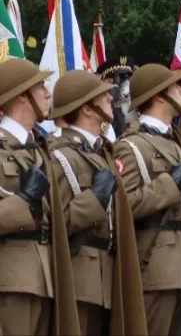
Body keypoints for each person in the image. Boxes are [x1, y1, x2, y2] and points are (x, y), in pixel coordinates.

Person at [113, 63, 181, 336]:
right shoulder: (131, 146)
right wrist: (169, 184)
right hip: (155, 267)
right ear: (160, 95)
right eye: (176, 86)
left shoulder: (176, 143)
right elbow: (123, 206)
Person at [48, 70, 147, 335]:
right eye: (101, 96)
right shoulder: (60, 155)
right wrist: (95, 200)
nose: (109, 98)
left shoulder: (101, 151)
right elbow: (56, 222)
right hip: (80, 279)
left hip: (109, 274)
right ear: (86, 109)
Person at [0, 58, 80, 335]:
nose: (48, 94)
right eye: (41, 87)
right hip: (11, 280)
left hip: (47, 275)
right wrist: (23, 201)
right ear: (22, 95)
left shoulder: (39, 148)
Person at [96, 56, 138, 140]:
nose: (123, 86)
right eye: (114, 80)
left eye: (126, 80)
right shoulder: (99, 121)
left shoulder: (135, 114)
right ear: (102, 81)